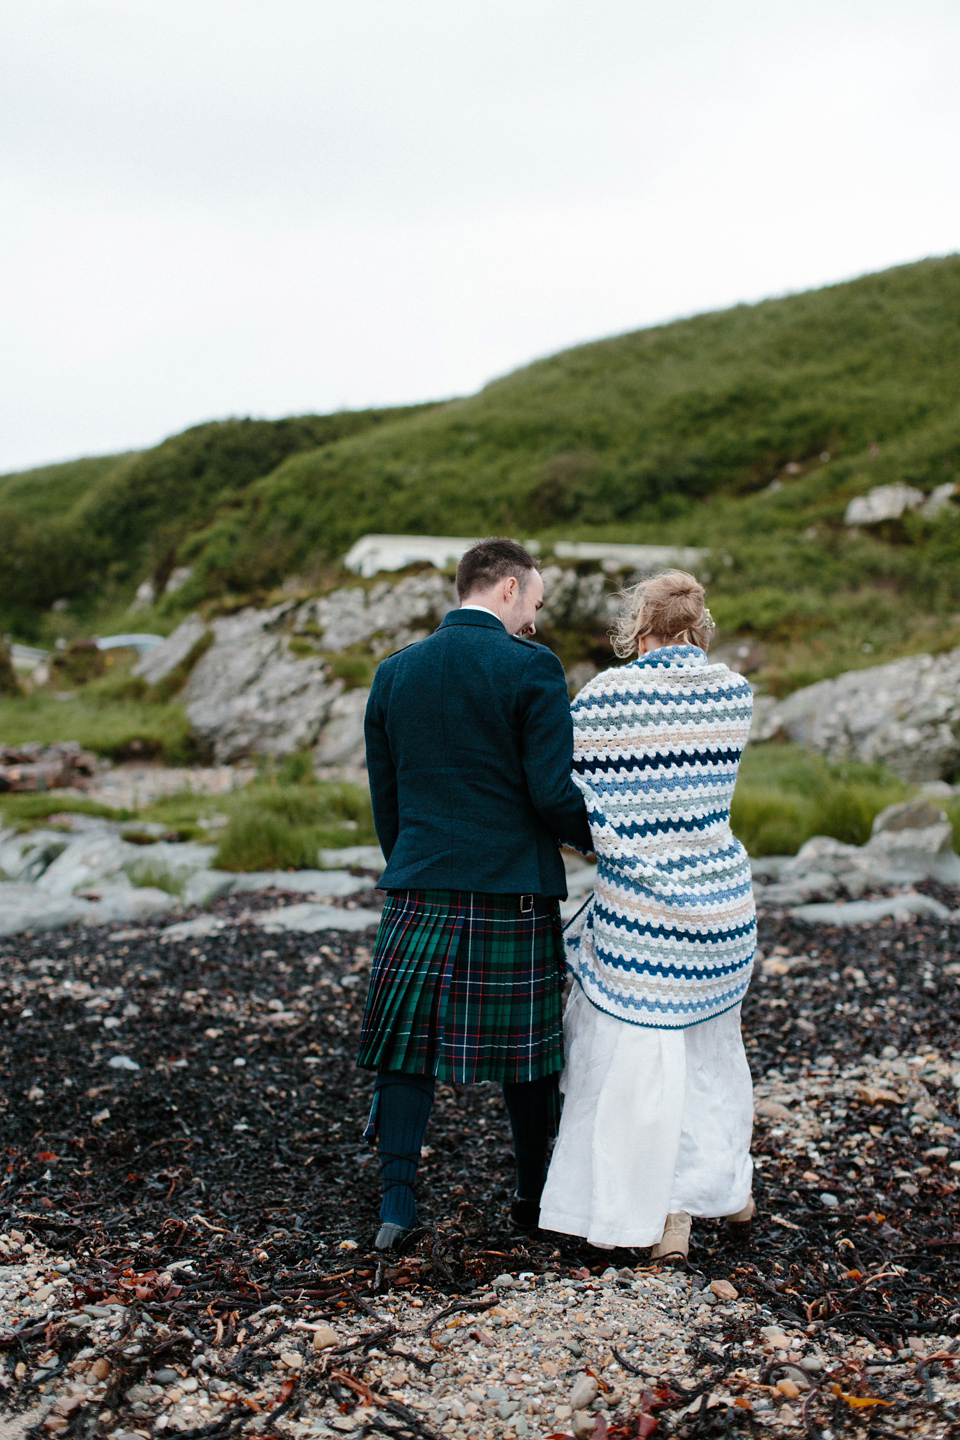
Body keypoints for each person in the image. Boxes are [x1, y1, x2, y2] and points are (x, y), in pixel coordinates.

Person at [357, 538, 592, 1249]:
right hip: (511, 891)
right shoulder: (532, 667)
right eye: (536, 606)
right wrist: (604, 840)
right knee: (528, 1055)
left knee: (405, 1052)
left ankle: (396, 1206)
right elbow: (552, 793)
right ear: (509, 589)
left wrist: (418, 864)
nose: (535, 622)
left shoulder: (394, 673)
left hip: (420, 887)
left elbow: (386, 800)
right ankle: (531, 1193)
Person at [539, 570, 757, 1257]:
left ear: (636, 626)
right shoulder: (734, 693)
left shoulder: (604, 698)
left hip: (642, 914)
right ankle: (730, 1189)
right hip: (722, 905)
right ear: (699, 624)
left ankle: (665, 1219)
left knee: (638, 1063)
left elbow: (575, 799)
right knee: (710, 1052)